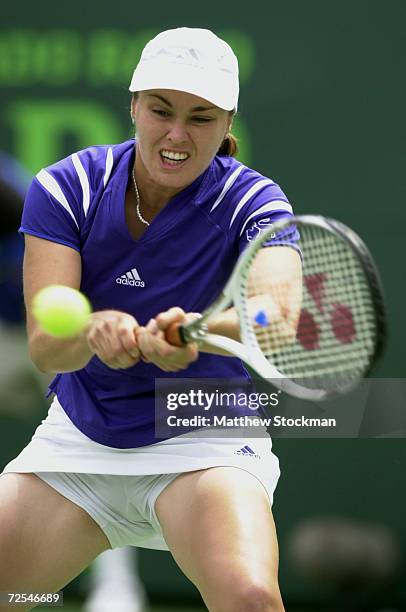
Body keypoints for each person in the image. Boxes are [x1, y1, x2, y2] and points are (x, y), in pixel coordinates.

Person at [0, 27, 301, 612]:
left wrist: (200, 330)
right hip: (79, 442)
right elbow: (45, 347)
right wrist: (90, 334)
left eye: (201, 117)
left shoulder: (255, 201)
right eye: (161, 110)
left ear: (227, 122)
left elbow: (276, 317)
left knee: (249, 597)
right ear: (134, 105)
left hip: (205, 441)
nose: (177, 134)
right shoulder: (67, 188)